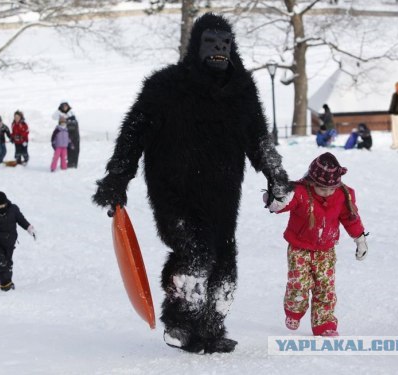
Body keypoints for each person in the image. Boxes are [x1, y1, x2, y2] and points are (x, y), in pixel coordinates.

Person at [93, 13, 292, 354]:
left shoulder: (241, 91)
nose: (219, 49)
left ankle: (211, 328)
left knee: (225, 258)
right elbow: (134, 132)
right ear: (195, 46)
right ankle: (181, 323)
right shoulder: (166, 86)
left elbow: (258, 139)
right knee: (195, 252)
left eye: (225, 43)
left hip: (222, 191)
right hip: (174, 189)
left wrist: (276, 175)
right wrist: (117, 177)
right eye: (211, 42)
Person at [264, 152, 368, 337]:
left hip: (326, 251)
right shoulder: (300, 192)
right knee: (299, 285)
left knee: (325, 288)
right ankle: (294, 311)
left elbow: (350, 218)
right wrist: (274, 199)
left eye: (332, 188)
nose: (328, 192)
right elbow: (281, 205)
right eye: (322, 188)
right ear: (312, 182)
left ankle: (324, 324)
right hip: (299, 249)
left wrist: (360, 239)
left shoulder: (343, 195)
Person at [0, 191, 36, 291]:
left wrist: (29, 227)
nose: (0, 207)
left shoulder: (13, 209)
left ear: (6, 203)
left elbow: (21, 220)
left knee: (8, 262)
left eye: (2, 205)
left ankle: (8, 281)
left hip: (10, 240)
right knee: (0, 261)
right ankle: (5, 284)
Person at [53, 101, 80, 168]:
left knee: (74, 149)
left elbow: (76, 121)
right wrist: (59, 111)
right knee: (66, 151)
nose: (65, 107)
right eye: (63, 106)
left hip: (73, 133)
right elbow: (54, 117)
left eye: (66, 106)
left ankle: (73, 163)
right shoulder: (59, 113)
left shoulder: (71, 112)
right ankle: (66, 163)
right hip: (64, 134)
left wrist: (69, 119)